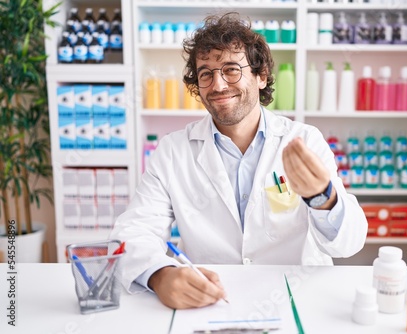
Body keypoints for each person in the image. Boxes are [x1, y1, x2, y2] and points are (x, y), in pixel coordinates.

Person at [110, 12, 368, 310]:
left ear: (261, 76)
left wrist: (324, 199)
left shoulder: (304, 140)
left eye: (231, 70)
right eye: (206, 73)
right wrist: (158, 275)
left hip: (297, 300)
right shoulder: (173, 151)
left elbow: (349, 243)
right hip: (211, 300)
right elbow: (133, 231)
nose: (218, 85)